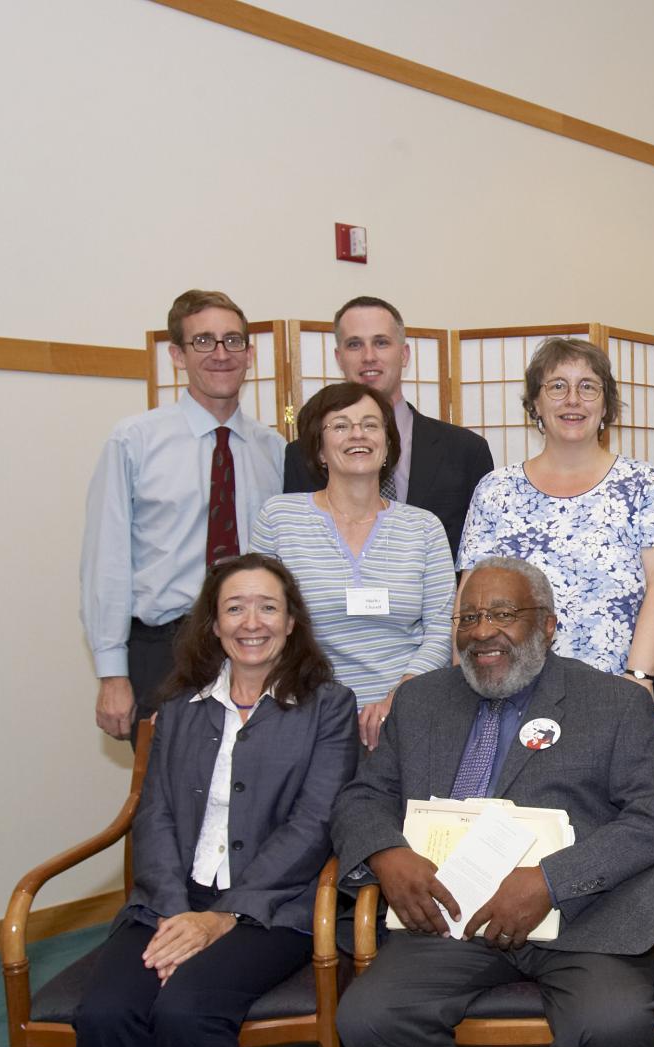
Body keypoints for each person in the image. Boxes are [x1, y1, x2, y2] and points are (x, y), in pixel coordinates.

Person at [333, 557, 654, 1047]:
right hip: (450, 917)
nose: (482, 631)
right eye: (467, 617)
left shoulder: (611, 702)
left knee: (614, 1027)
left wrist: (553, 879)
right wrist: (385, 850)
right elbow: (362, 796)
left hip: (581, 916)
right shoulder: (420, 700)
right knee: (368, 1017)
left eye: (502, 613)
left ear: (548, 625)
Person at [73, 554, 358, 1047]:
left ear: (291, 622)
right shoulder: (177, 707)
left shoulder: (328, 707)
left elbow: (315, 824)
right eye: (234, 607)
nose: (250, 621)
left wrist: (222, 916)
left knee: (185, 1008)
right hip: (171, 901)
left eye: (266, 606)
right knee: (105, 1013)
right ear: (213, 623)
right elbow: (157, 815)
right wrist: (177, 912)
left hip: (270, 909)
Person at [82, 289, 286, 742]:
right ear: (177, 355)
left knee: (251, 795)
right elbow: (106, 561)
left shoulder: (273, 452)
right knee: (165, 800)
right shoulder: (134, 442)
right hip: (163, 650)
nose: (220, 354)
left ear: (250, 355)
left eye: (233, 341)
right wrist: (112, 673)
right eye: (203, 342)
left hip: (252, 647)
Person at [457, 337, 654, 706]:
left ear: (606, 404)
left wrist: (638, 676)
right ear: (535, 402)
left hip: (622, 685)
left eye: (588, 387)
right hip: (512, 687)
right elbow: (470, 601)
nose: (573, 400)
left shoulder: (644, 483)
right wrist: (465, 686)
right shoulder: (496, 490)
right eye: (557, 386)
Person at [252, 381, 456, 750]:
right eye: (341, 425)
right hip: (306, 712)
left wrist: (397, 700)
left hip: (407, 715)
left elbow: (442, 629)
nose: (357, 434)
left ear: (388, 445)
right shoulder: (279, 517)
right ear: (319, 447)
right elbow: (260, 620)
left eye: (371, 424)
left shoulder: (424, 527)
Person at [284, 296, 494, 557]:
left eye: (381, 343)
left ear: (404, 354)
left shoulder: (466, 452)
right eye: (354, 344)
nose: (368, 356)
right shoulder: (305, 451)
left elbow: (480, 557)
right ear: (339, 358)